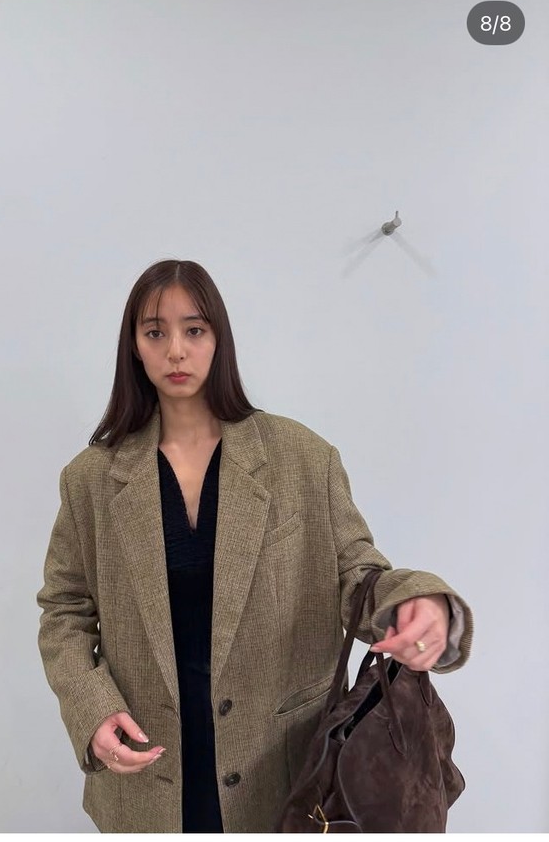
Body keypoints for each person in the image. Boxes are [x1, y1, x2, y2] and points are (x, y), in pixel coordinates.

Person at [37, 259, 472, 834]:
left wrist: (420, 602)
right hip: (147, 776)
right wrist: (91, 708)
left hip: (282, 773)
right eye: (155, 332)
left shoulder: (301, 457)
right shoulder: (91, 479)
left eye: (194, 330)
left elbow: (357, 575)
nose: (175, 351)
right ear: (134, 348)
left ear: (219, 338)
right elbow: (64, 611)